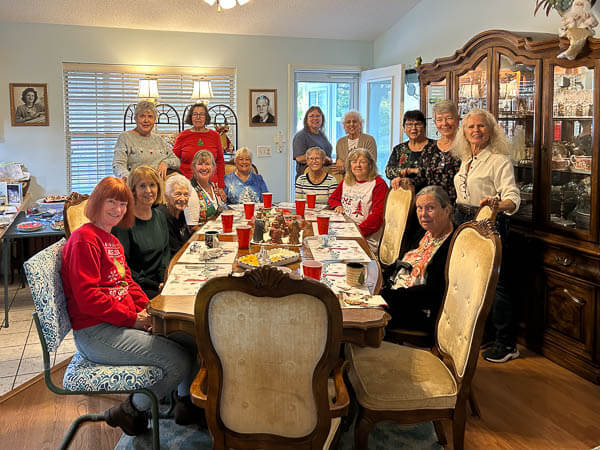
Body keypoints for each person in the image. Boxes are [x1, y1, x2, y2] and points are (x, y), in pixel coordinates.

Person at [61, 176, 197, 436]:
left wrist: (149, 309)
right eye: (110, 202)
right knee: (177, 361)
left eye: (123, 204)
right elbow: (88, 299)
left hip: (118, 321)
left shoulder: (110, 240)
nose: (117, 209)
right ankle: (130, 409)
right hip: (96, 331)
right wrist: (132, 319)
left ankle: (185, 404)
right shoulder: (84, 240)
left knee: (188, 337)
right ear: (96, 203)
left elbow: (127, 282)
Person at [453, 108, 521, 363]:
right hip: (464, 220)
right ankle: (483, 334)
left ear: (491, 131)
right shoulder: (466, 158)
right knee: (471, 280)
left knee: (498, 284)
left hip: (489, 223)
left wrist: (496, 204)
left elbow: (513, 197)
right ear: (464, 132)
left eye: (481, 126)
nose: (476, 131)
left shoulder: (499, 160)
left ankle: (507, 343)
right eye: (471, 127)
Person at [379, 186, 455, 337]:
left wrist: (385, 296)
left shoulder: (453, 244)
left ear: (447, 210)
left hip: (418, 310)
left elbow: (433, 293)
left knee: (357, 316)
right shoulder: (425, 232)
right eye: (419, 208)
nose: (423, 214)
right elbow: (400, 263)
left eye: (430, 208)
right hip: (397, 295)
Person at [112, 166, 170, 299]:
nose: (148, 191)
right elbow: (122, 266)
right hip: (137, 288)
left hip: (161, 284)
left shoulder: (160, 216)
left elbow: (165, 255)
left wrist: (164, 280)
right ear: (133, 190)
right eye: (142, 186)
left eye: (152, 185)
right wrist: (155, 285)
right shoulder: (123, 222)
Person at [329, 148, 388, 253]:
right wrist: (337, 205)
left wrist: (354, 233)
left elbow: (377, 218)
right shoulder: (346, 181)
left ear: (370, 165)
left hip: (365, 237)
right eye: (354, 162)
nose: (358, 165)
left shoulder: (379, 184)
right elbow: (333, 198)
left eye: (363, 162)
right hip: (343, 230)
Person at [407, 100, 461, 203]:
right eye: (439, 119)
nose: (444, 123)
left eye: (449, 118)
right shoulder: (429, 149)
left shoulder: (467, 147)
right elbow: (421, 178)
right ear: (435, 122)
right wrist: (406, 181)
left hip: (458, 209)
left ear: (457, 119)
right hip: (432, 208)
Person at [112, 101, 180, 180]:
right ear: (135, 119)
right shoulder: (125, 137)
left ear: (154, 120)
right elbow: (118, 165)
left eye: (150, 116)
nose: (146, 120)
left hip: (160, 183)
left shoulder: (159, 139)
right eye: (142, 116)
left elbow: (176, 161)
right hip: (137, 184)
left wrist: (165, 163)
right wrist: (129, 179)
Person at [172, 103, 226, 197]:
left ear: (206, 117)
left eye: (201, 114)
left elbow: (220, 162)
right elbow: (172, 159)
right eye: (195, 114)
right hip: (187, 184)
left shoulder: (215, 136)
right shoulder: (183, 136)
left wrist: (221, 186)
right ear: (191, 117)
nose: (198, 117)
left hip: (211, 184)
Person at [385, 110, 436, 192]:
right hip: (403, 196)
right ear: (404, 128)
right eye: (409, 124)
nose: (413, 128)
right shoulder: (399, 149)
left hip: (429, 195)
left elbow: (433, 173)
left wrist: (403, 173)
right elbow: (389, 172)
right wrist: (409, 170)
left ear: (424, 127)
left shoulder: (434, 147)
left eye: (418, 124)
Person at [293, 106, 333, 179]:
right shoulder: (301, 136)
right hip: (307, 177)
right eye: (311, 116)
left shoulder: (322, 135)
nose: (315, 118)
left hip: (324, 175)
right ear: (306, 119)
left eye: (318, 116)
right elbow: (299, 158)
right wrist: (322, 158)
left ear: (322, 119)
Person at [157, 174, 193, 257]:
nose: (182, 199)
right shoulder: (163, 216)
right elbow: (174, 250)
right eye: (178, 194)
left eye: (186, 194)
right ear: (167, 197)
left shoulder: (180, 212)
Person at [186, 150, 224, 226]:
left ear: (213, 167)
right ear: (194, 167)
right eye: (200, 164)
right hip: (201, 235)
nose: (204, 168)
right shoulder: (191, 190)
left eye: (207, 164)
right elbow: (192, 227)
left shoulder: (213, 186)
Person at [334, 110, 377, 174]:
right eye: (348, 122)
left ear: (360, 124)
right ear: (344, 126)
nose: (351, 124)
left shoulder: (369, 140)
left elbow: (370, 163)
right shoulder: (340, 142)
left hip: (365, 179)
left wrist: (345, 166)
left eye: (354, 122)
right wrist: (338, 162)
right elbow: (339, 166)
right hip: (346, 179)